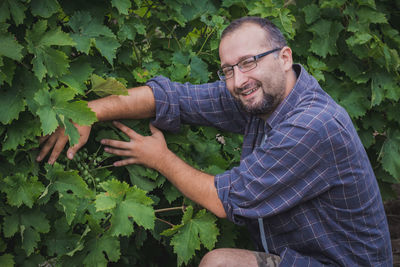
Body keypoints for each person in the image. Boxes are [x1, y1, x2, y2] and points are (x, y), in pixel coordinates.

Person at [37, 17, 393, 266]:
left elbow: (226, 199)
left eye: (248, 62)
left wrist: (159, 158)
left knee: (218, 263)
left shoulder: (312, 125)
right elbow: (175, 99)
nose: (238, 80)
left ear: (285, 58)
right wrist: (89, 112)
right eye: (228, 69)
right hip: (299, 257)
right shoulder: (262, 98)